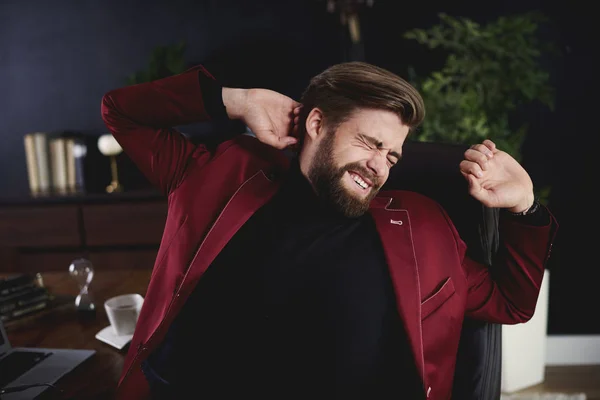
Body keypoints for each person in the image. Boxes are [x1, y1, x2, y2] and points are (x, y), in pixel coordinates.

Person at [101, 62, 557, 400]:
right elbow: (121, 112)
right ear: (317, 124)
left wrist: (524, 206)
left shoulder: (423, 227)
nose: (379, 166)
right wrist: (235, 100)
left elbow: (511, 303)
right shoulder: (225, 173)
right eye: (369, 142)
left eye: (392, 156)